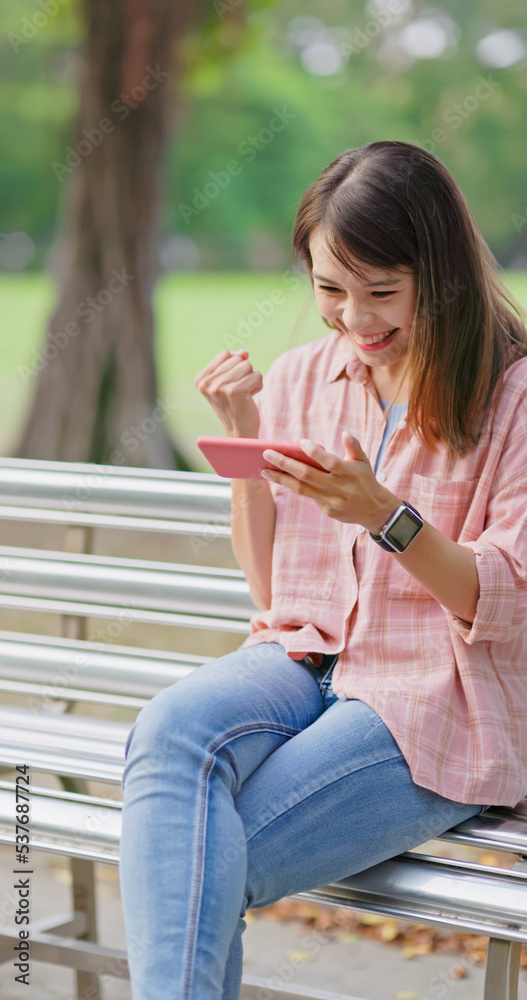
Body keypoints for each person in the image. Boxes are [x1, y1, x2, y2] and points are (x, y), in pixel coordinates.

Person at [119, 140, 527, 1000]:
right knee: (167, 732)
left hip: (435, 697)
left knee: (189, 866)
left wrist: (387, 516)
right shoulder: (307, 376)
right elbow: (273, 593)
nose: (353, 320)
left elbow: (506, 603)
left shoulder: (512, 395)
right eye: (328, 290)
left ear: (440, 274)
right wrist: (242, 435)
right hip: (303, 658)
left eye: (381, 293)